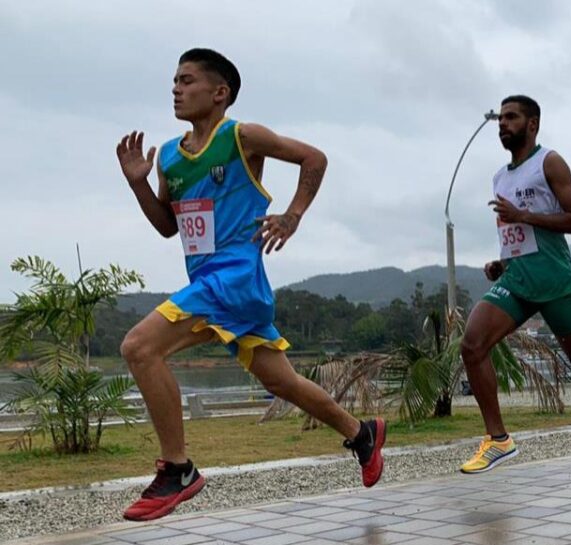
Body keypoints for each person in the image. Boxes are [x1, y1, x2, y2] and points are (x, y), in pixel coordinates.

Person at [114, 49, 385, 521]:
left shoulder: (242, 137)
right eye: (173, 81)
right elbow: (167, 227)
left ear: (219, 93)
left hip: (235, 280)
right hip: (211, 283)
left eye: (187, 80)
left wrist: (292, 215)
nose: (176, 89)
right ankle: (361, 433)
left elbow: (314, 159)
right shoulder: (172, 158)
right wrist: (139, 184)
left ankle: (178, 468)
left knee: (139, 347)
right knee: (279, 380)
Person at [458, 95, 571, 474]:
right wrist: (503, 262)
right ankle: (498, 439)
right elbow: (514, 231)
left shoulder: (549, 162)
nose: (502, 124)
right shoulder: (500, 177)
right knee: (472, 344)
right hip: (518, 279)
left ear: (532, 124)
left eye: (511, 118)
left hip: (555, 280)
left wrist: (524, 214)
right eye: (501, 119)